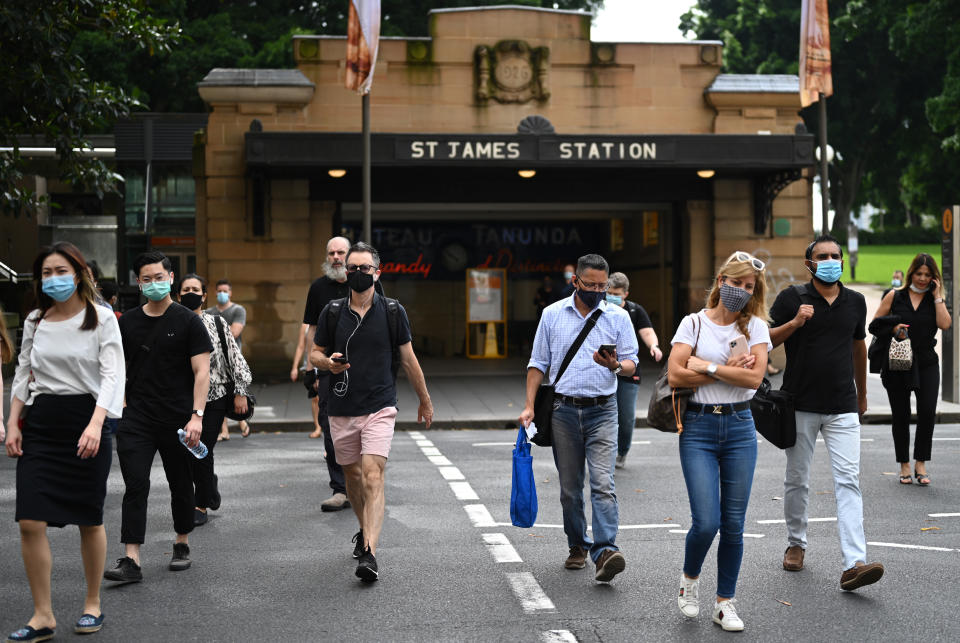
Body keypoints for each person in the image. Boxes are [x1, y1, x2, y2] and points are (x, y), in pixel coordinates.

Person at [5, 242, 124, 640]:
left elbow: (112, 376)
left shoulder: (102, 318)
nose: (53, 279)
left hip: (86, 419)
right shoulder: (37, 319)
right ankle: (43, 615)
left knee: (89, 518)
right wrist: (13, 422)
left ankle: (93, 604)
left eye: (60, 271)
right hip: (41, 424)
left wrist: (96, 424)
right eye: (46, 273)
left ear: (78, 274)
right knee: (29, 520)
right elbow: (23, 372)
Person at [311, 242, 433, 582]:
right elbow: (314, 356)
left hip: (380, 405)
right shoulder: (332, 312)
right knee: (352, 475)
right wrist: (329, 365)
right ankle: (363, 530)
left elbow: (408, 360)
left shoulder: (393, 311)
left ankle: (370, 552)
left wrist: (424, 399)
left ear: (377, 273)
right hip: (340, 406)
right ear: (346, 272)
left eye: (366, 268)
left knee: (372, 474)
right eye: (353, 268)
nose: (359, 274)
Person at [769, 234, 884, 591]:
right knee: (797, 479)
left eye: (836, 255)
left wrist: (862, 395)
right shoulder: (792, 297)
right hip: (800, 403)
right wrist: (795, 324)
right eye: (824, 256)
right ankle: (796, 543)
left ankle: (854, 562)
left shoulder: (854, 301)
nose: (831, 260)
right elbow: (766, 340)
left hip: (843, 406)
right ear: (810, 264)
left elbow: (858, 348)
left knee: (848, 480)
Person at [519, 254, 638, 583]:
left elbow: (631, 364)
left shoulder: (617, 317)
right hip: (564, 411)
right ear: (576, 282)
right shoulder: (552, 314)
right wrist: (529, 405)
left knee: (603, 484)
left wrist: (614, 366)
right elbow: (537, 364)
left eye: (603, 286)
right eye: (591, 285)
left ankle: (605, 551)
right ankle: (577, 546)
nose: (598, 291)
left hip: (604, 409)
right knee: (570, 489)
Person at [668, 252, 771, 632]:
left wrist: (707, 367)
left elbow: (754, 380)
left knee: (734, 524)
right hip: (698, 428)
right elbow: (676, 375)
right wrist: (727, 373)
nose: (741, 291)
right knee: (707, 521)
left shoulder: (755, 327)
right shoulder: (693, 323)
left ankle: (724, 602)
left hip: (741, 428)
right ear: (721, 280)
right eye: (736, 282)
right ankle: (690, 582)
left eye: (749, 287)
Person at [103, 251, 212, 583]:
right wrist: (118, 405)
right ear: (138, 282)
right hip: (136, 417)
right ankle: (131, 558)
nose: (153, 284)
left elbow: (202, 371)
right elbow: (114, 368)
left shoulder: (188, 321)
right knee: (135, 484)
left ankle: (181, 542)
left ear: (171, 278)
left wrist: (197, 416)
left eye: (159, 277)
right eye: (146, 279)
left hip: (178, 419)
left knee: (180, 482)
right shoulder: (127, 322)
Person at [301, 236, 382, 512]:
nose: (336, 257)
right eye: (331, 253)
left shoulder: (371, 284)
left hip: (366, 373)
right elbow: (310, 330)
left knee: (369, 429)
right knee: (330, 429)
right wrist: (309, 367)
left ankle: (363, 481)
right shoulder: (318, 289)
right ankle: (340, 488)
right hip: (329, 372)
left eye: (341, 252)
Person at [869, 253, 951, 486]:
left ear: (934, 278)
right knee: (901, 415)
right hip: (898, 362)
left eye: (928, 275)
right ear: (911, 273)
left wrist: (937, 297)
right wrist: (893, 325)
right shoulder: (895, 296)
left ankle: (920, 463)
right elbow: (874, 325)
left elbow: (945, 324)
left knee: (927, 413)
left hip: (926, 363)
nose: (923, 278)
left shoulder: (934, 300)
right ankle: (904, 464)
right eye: (919, 274)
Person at [179, 274, 253, 525]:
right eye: (185, 289)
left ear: (203, 295)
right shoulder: (173, 323)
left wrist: (241, 391)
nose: (190, 292)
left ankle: (200, 505)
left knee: (201, 449)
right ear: (178, 295)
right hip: (181, 399)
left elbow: (236, 359)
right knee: (186, 451)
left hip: (215, 397)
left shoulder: (217, 323)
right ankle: (208, 483)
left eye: (195, 289)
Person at [605, 272, 662, 468]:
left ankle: (622, 452)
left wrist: (653, 346)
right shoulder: (600, 309)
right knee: (601, 414)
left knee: (626, 417)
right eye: (609, 292)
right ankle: (602, 452)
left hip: (628, 370)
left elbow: (647, 331)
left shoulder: (635, 311)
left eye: (616, 293)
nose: (611, 296)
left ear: (626, 294)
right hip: (603, 369)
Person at [207, 279, 249, 439]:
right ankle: (224, 431)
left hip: (233, 359)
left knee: (235, 391)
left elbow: (235, 332)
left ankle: (242, 421)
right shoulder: (210, 312)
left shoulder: (238, 310)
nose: (222, 294)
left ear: (230, 293)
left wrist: (215, 336)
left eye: (225, 291)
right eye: (219, 291)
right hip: (214, 360)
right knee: (219, 392)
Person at [290, 323, 323, 438]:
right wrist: (294, 367)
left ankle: (328, 425)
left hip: (323, 361)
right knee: (315, 397)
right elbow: (300, 346)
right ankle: (318, 427)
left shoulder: (328, 318)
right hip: (309, 365)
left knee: (325, 397)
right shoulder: (305, 326)